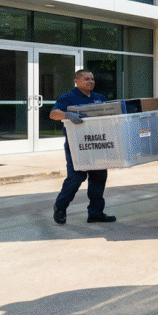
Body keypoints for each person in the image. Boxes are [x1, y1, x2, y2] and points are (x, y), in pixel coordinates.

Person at [49, 70, 116, 225]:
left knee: (99, 177)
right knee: (76, 177)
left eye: (92, 79)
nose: (90, 81)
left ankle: (95, 213)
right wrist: (67, 115)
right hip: (77, 145)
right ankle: (60, 207)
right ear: (76, 81)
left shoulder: (100, 98)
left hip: (98, 143)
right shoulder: (68, 97)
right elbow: (53, 114)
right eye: (86, 79)